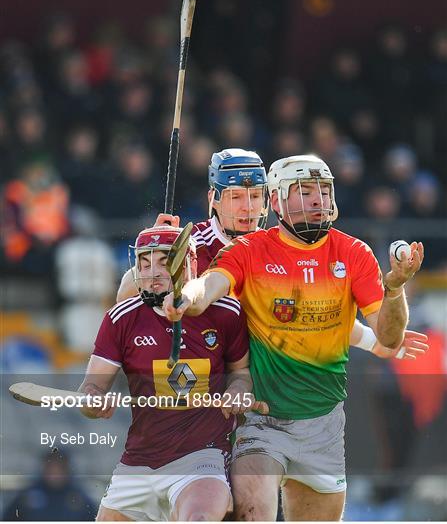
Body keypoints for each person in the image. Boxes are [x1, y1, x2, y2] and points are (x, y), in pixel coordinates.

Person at [163, 154, 425, 521]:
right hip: (261, 421)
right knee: (255, 512)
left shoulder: (354, 254)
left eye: (323, 190)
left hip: (325, 426)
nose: (317, 200)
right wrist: (184, 297)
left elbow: (389, 336)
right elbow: (208, 286)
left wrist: (394, 289)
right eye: (303, 191)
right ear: (277, 201)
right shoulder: (248, 251)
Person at [79, 224, 266, 521]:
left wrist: (238, 390)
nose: (153, 273)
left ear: (189, 264)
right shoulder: (121, 318)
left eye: (164, 263)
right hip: (137, 464)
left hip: (202, 459)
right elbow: (90, 390)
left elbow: (241, 373)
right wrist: (93, 401)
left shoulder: (226, 313)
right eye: (144, 263)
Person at [116, 147, 269, 300]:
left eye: (255, 196)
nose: (248, 207)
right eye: (236, 197)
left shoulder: (273, 245)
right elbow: (123, 296)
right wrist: (156, 249)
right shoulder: (194, 243)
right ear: (213, 199)